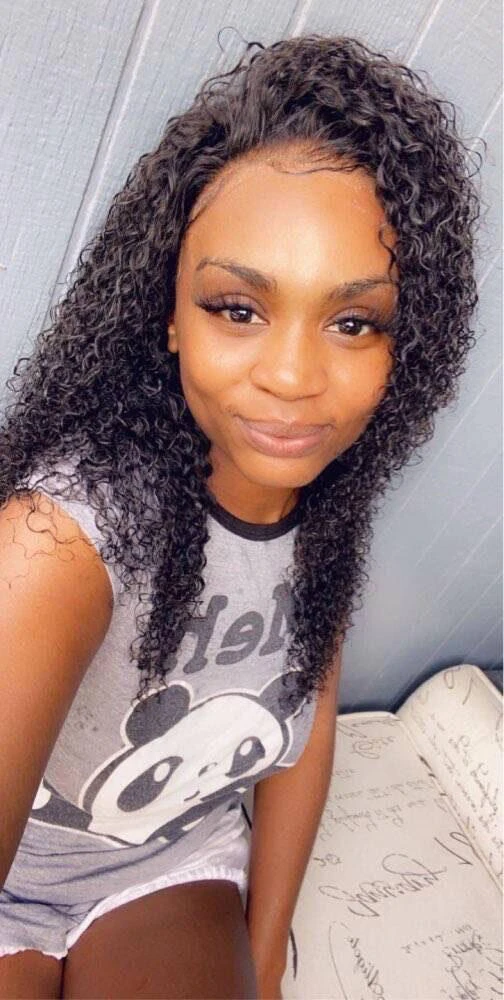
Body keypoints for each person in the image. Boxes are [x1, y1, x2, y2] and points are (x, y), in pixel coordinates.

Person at [0, 32, 480, 1000]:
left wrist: (261, 961)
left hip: (165, 868)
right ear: (170, 313)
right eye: (238, 308)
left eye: (353, 322)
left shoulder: (328, 516)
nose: (294, 377)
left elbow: (305, 730)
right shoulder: (57, 540)